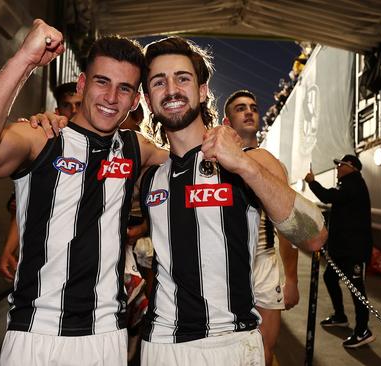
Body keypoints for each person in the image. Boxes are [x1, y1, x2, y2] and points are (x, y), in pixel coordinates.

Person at [0, 19, 166, 365]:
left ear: (136, 100)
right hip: (37, 333)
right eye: (102, 82)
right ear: (82, 84)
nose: (111, 98)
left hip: (106, 335)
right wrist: (23, 61)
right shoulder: (42, 136)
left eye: (124, 89)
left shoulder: (136, 147)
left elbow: (192, 161)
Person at [138, 36, 327, 365]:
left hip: (234, 344)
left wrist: (243, 165)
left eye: (182, 78)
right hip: (162, 345)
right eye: (159, 82)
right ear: (148, 100)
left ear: (202, 91)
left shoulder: (252, 161)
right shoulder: (150, 175)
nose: (171, 89)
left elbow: (314, 236)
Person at [223, 89, 300, 365]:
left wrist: (291, 278)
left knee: (265, 349)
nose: (249, 112)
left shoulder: (273, 165)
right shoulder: (215, 162)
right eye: (241, 108)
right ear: (226, 122)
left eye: (253, 107)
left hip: (264, 263)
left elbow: (288, 226)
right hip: (227, 266)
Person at [0, 82, 82, 283]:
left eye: (78, 104)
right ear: (57, 109)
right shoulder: (42, 141)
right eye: (66, 105)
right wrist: (9, 249)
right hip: (47, 266)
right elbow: (23, 208)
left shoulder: (105, 146)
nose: (73, 111)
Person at [305, 154, 375, 348]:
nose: (337, 168)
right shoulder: (347, 185)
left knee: (357, 290)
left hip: (355, 251)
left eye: (341, 165)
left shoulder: (354, 184)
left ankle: (363, 330)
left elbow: (329, 197)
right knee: (330, 278)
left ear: (352, 167)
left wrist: (312, 182)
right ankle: (340, 315)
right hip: (343, 250)